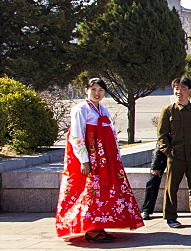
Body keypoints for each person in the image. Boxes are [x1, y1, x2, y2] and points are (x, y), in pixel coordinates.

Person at [55, 78, 144, 242]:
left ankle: (98, 226)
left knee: (103, 192)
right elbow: (76, 135)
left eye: (101, 90)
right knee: (89, 190)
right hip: (90, 157)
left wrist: (115, 157)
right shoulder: (80, 109)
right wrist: (84, 159)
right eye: (94, 89)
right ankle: (91, 228)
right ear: (86, 90)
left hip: (105, 158)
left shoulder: (102, 109)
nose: (97, 93)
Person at [158, 77, 191, 228]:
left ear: (190, 91)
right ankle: (170, 217)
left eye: (182, 89)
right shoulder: (168, 111)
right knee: (171, 187)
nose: (179, 92)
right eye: (176, 89)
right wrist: (169, 151)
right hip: (176, 156)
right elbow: (162, 135)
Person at [140, 148, 168, 220]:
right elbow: (159, 147)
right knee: (153, 182)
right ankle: (146, 210)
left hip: (183, 156)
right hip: (164, 156)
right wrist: (155, 166)